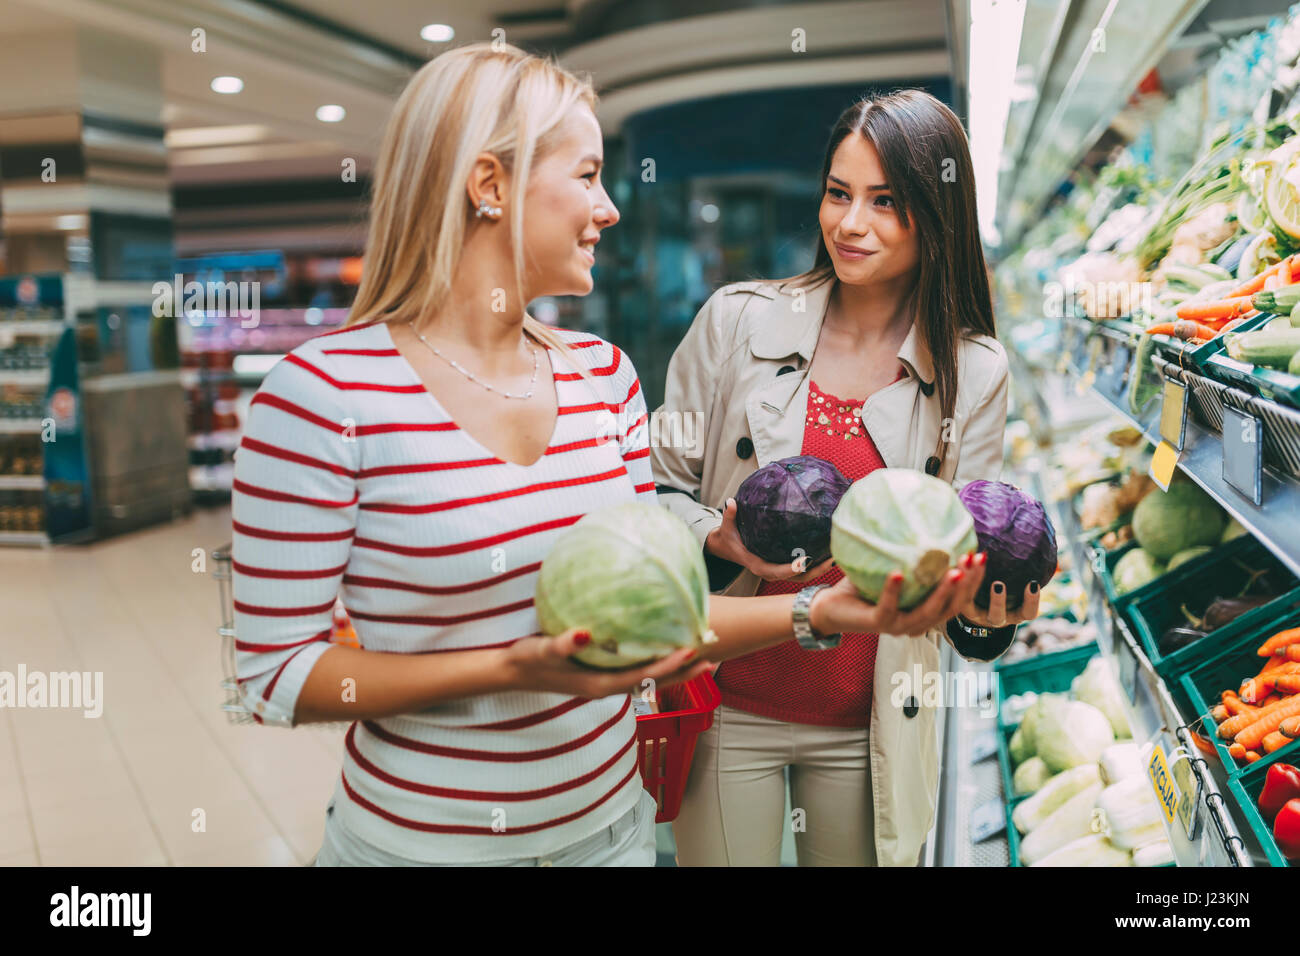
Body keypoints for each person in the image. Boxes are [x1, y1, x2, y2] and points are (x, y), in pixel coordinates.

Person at [231, 49, 986, 867]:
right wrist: (512, 667)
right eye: (587, 176)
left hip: (614, 833)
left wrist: (818, 615)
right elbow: (274, 675)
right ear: (490, 186)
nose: (609, 209)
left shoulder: (604, 376)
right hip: (419, 847)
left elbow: (664, 611)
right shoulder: (319, 396)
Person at [651, 90, 1042, 868]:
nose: (849, 224)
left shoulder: (975, 371)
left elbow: (967, 556)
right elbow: (655, 491)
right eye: (838, 194)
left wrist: (995, 608)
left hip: (873, 719)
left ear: (938, 214)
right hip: (731, 700)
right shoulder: (735, 322)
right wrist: (719, 543)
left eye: (886, 202)